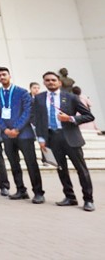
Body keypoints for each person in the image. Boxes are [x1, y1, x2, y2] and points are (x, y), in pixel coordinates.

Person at [34, 71, 95, 211]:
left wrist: (70, 118)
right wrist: (41, 139)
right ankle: (70, 197)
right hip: (52, 139)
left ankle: (88, 200)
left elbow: (88, 116)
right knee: (61, 170)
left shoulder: (71, 97)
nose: (50, 82)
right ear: (44, 82)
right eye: (47, 80)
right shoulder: (39, 98)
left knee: (82, 170)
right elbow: (38, 119)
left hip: (70, 138)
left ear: (59, 82)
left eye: (53, 80)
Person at [0, 66, 44, 204]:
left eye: (4, 74)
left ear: (9, 75)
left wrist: (17, 128)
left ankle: (38, 192)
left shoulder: (22, 92)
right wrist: (5, 129)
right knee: (14, 164)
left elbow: (27, 111)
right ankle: (21, 190)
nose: (2, 77)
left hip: (23, 134)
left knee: (31, 163)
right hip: (7, 135)